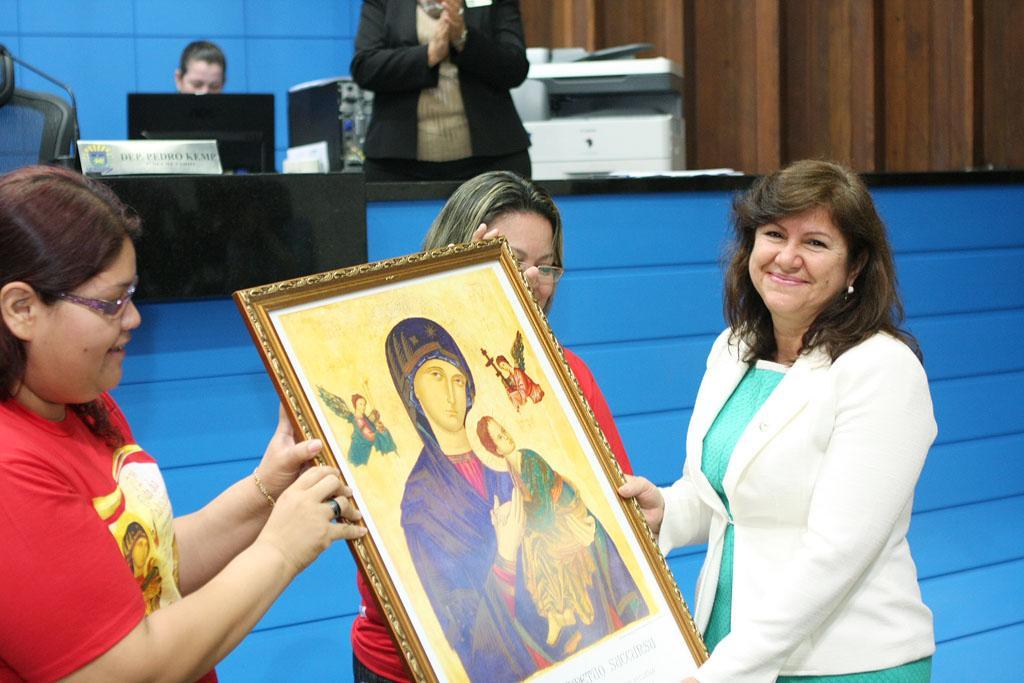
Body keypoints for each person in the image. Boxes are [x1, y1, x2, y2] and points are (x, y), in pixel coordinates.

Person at [0, 165, 365, 682]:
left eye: (131, 297)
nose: (132, 319)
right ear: (21, 309)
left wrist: (266, 490)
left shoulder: (80, 400)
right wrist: (280, 550)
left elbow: (150, 569)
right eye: (110, 303)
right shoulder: (10, 469)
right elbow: (126, 670)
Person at [619, 159, 937, 683]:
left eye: (815, 243)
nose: (787, 258)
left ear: (855, 266)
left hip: (843, 666)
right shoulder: (732, 348)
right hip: (725, 647)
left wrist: (719, 671)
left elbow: (835, 554)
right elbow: (725, 498)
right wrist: (666, 509)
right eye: (773, 234)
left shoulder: (883, 369)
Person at [350, 170, 634, 682]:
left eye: (546, 266)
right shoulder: (417, 487)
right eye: (509, 256)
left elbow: (611, 523)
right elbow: (418, 598)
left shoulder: (568, 379)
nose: (530, 279)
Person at [476, 415, 646, 647]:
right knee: (530, 546)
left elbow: (544, 514)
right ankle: (559, 615)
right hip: (553, 518)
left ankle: (567, 613)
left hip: (568, 513)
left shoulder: (529, 460)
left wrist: (521, 514)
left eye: (503, 430)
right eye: (499, 437)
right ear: (494, 449)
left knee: (539, 548)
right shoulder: (512, 469)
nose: (506, 436)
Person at [350, 0, 532, 182]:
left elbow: (515, 67)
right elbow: (365, 67)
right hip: (396, 162)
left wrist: (463, 39)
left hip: (492, 159)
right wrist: (430, 54)